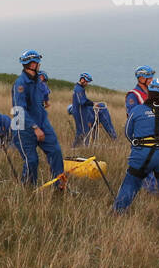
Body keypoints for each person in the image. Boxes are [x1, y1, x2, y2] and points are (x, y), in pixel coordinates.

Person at [115, 78, 159, 229]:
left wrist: (139, 144)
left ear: (149, 92)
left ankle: (119, 211)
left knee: (131, 182)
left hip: (142, 154)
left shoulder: (136, 110)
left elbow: (128, 133)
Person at [11, 51, 65, 188]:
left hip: (42, 123)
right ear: (32, 64)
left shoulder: (38, 81)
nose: (39, 65)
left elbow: (42, 99)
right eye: (37, 62)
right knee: (32, 161)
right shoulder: (20, 84)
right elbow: (19, 109)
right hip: (23, 128)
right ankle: (28, 190)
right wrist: (35, 127)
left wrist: (42, 124)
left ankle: (59, 185)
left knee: (56, 152)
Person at [126, 65, 159, 192]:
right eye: (149, 78)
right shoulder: (133, 95)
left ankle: (152, 190)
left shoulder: (150, 94)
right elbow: (133, 116)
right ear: (141, 78)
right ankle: (148, 192)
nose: (152, 80)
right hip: (141, 135)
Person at [70, 72, 96, 146]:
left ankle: (75, 147)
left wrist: (92, 102)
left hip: (81, 112)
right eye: (87, 81)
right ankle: (84, 147)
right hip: (79, 113)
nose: (87, 83)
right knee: (83, 131)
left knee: (81, 131)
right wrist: (92, 103)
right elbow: (82, 102)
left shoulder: (80, 88)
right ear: (82, 80)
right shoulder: (78, 89)